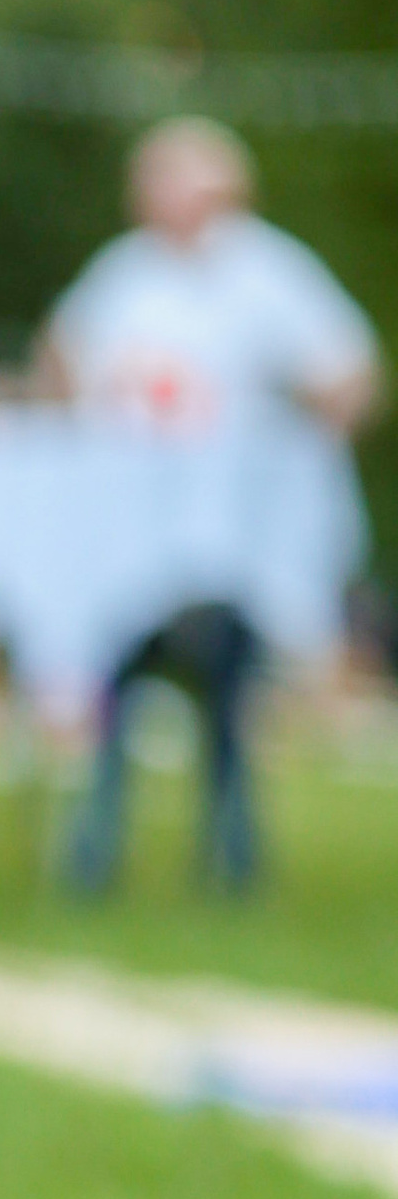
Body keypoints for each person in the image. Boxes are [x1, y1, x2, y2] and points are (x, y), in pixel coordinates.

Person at [40, 118, 381, 892]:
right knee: (111, 669)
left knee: (229, 685)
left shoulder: (272, 273)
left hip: (237, 525)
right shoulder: (124, 272)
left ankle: (230, 854)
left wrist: (298, 442)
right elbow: (62, 353)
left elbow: (349, 376)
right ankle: (96, 846)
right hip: (128, 519)